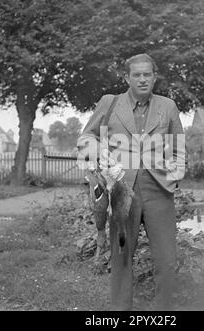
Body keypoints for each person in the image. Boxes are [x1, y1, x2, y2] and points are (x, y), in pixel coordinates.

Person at [77, 54, 185, 311]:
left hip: (159, 192)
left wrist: (173, 178)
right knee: (122, 257)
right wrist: (97, 152)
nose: (143, 79)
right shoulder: (110, 103)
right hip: (122, 191)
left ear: (154, 77)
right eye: (137, 75)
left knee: (167, 261)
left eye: (147, 74)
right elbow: (86, 136)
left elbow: (179, 147)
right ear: (127, 78)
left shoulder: (168, 106)